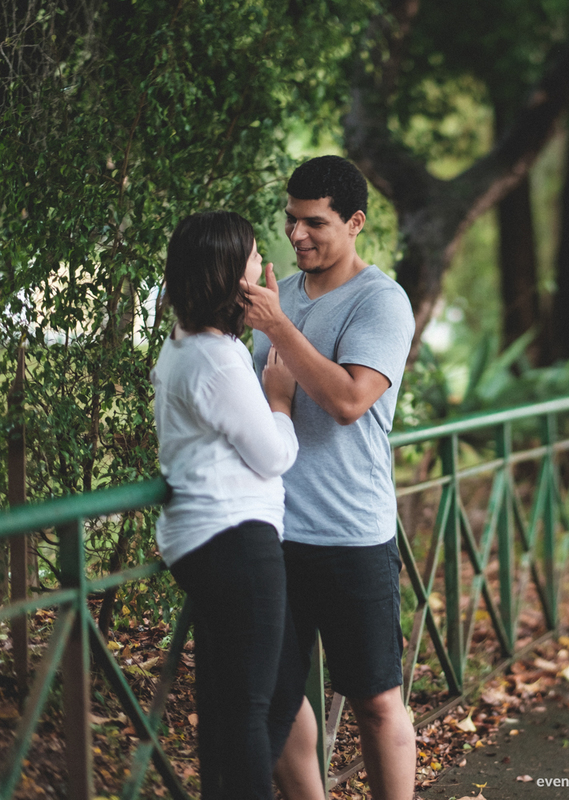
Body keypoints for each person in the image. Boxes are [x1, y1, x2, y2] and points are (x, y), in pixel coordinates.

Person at [242, 155, 417, 800]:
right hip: (274, 533)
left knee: (375, 703)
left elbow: (348, 402)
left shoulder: (382, 302)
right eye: (291, 221)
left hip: (352, 534)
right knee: (278, 702)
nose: (297, 235)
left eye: (314, 222)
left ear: (355, 222)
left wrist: (279, 330)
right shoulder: (277, 297)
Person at [152, 211, 322, 799]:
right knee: (254, 705)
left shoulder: (186, 344)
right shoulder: (217, 359)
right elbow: (273, 455)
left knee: (240, 699)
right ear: (228, 273)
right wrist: (279, 397)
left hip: (203, 539)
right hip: (235, 539)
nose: (262, 262)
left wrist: (266, 328)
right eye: (252, 255)